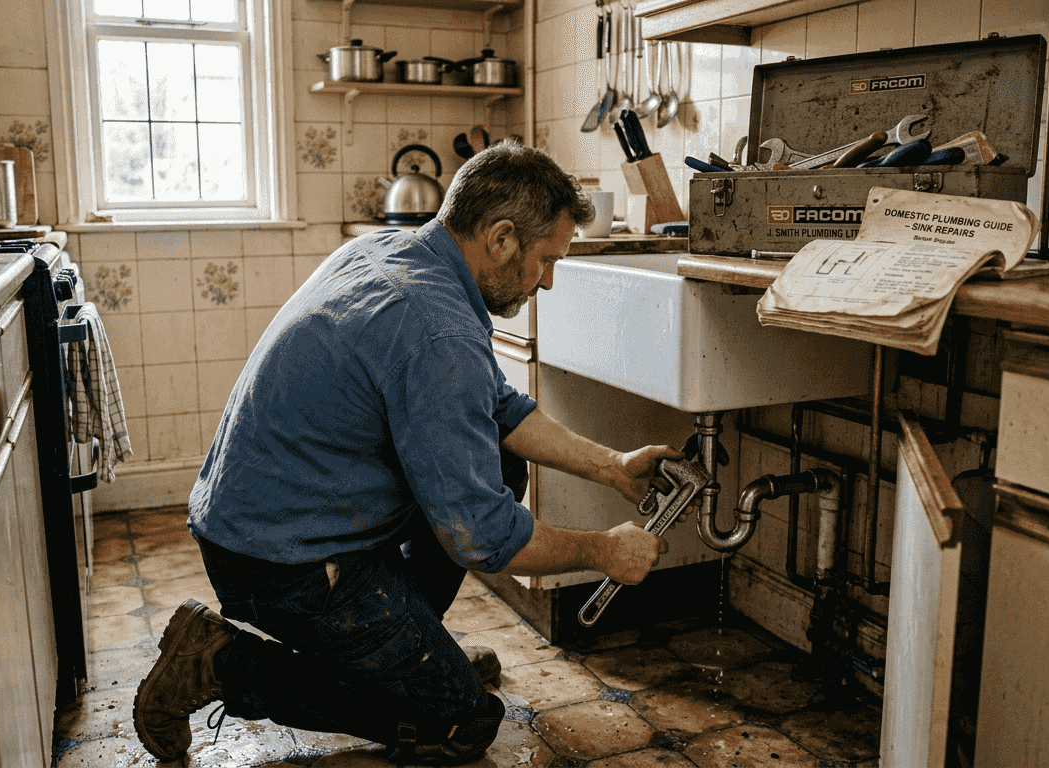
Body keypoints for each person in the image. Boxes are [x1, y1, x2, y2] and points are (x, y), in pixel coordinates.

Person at [132, 142, 685, 765]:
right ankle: (218, 663)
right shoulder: (434, 325)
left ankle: (407, 656)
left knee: (501, 461)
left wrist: (609, 465)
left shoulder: (396, 252)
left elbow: (495, 406)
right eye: (546, 259)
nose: (549, 280)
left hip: (269, 521)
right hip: (279, 562)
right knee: (462, 723)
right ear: (502, 239)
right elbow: (483, 537)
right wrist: (603, 550)